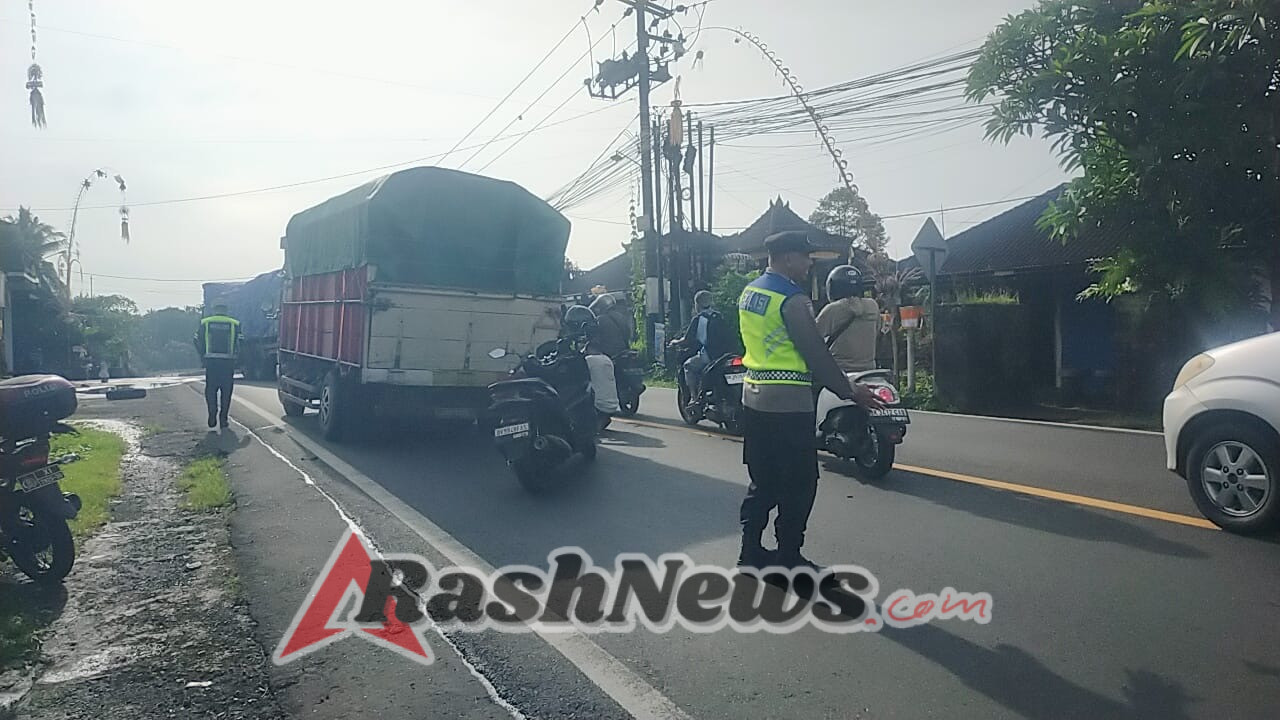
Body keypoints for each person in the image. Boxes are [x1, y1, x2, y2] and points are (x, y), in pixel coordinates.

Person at [736, 231, 883, 571]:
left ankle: (750, 552)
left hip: (754, 397)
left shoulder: (750, 293)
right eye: (805, 258)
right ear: (788, 258)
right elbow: (816, 353)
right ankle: (788, 557)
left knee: (764, 480)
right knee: (801, 483)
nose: (808, 265)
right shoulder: (792, 299)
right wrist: (852, 391)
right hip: (788, 402)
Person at [815, 265, 882, 373]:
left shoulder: (832, 309)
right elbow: (878, 330)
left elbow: (812, 337)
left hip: (838, 371)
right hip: (868, 370)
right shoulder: (872, 305)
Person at [673, 290, 734, 403]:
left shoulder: (699, 319)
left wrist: (675, 342)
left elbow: (688, 340)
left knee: (688, 366)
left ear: (697, 304)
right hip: (727, 355)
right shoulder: (719, 316)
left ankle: (694, 397)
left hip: (710, 355)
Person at [194, 303, 243, 430]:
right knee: (226, 392)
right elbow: (241, 343)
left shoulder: (205, 322)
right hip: (228, 363)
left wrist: (202, 355)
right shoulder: (234, 324)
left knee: (211, 390)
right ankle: (223, 418)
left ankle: (212, 413)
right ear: (226, 310)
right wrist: (237, 359)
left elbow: (196, 340)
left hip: (211, 362)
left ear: (214, 310)